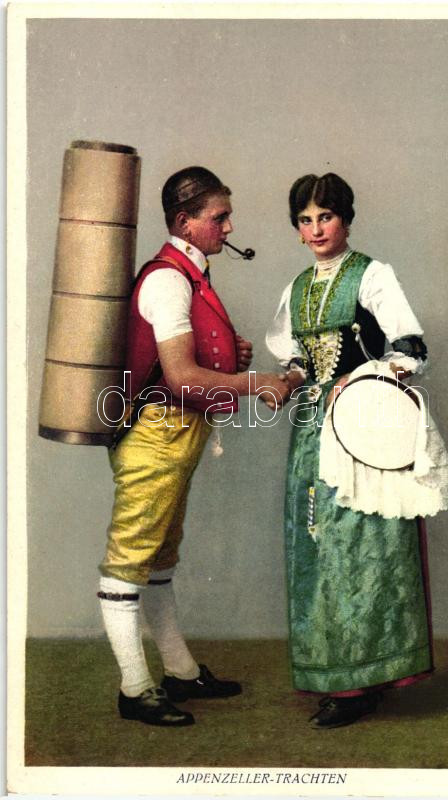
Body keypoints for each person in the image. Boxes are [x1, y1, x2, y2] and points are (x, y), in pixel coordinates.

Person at [266, 172, 448, 729]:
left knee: (364, 544)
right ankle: (339, 677)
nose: (315, 229)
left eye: (325, 217)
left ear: (346, 220)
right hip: (312, 431)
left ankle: (367, 680)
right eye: (305, 220)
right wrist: (289, 380)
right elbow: (297, 358)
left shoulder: (372, 275)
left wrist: (358, 377)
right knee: (317, 542)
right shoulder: (296, 288)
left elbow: (410, 350)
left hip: (364, 425)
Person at [98, 166, 289, 727]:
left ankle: (180, 673)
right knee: (132, 558)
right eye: (219, 217)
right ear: (185, 222)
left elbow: (184, 358)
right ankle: (135, 687)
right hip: (156, 435)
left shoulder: (188, 273)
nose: (228, 227)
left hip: (177, 435)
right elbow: (180, 377)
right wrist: (256, 382)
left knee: (160, 557)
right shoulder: (169, 280)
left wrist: (229, 352)